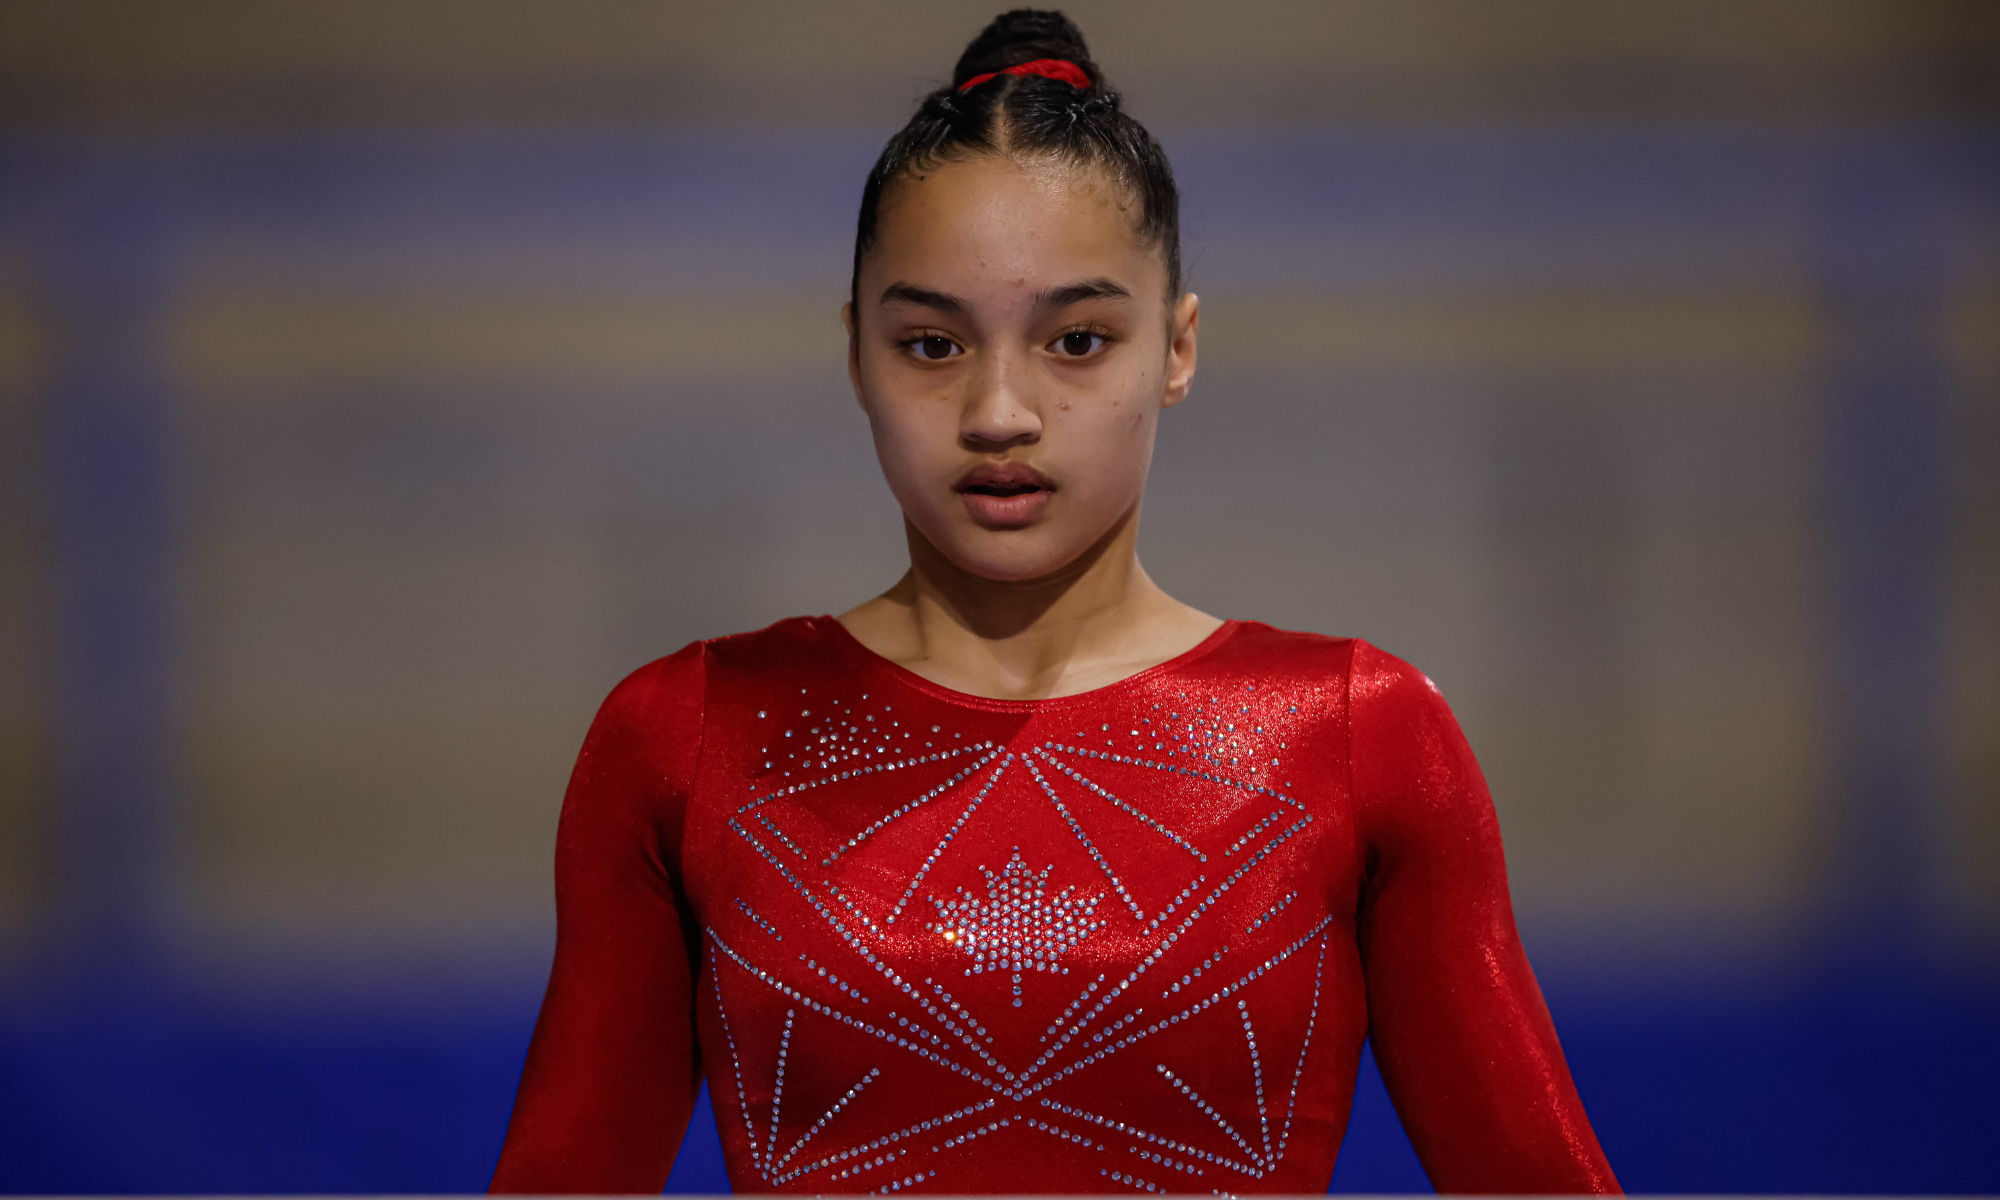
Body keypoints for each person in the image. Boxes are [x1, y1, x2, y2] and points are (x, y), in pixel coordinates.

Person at [490, 9, 1619, 1194]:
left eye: (1075, 340)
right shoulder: (686, 737)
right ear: (854, 353)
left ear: (1175, 349)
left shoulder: (1355, 736)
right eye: (931, 345)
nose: (998, 413)